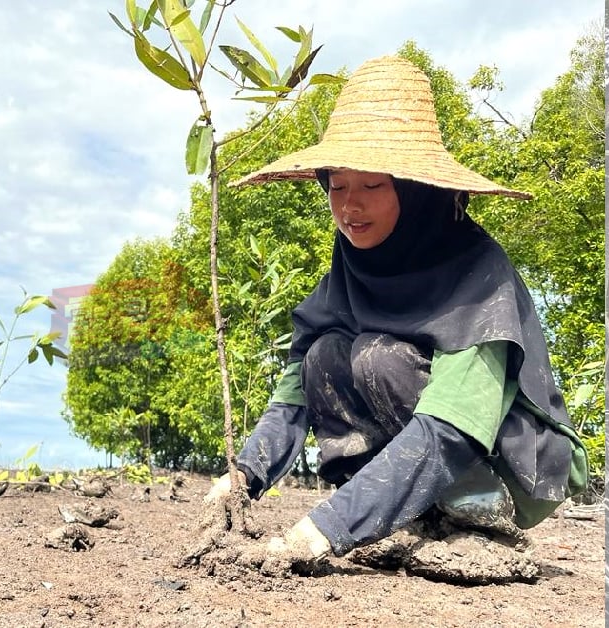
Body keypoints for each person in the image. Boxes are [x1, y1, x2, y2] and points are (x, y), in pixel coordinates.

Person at [205, 55, 589, 561]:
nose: (349, 206)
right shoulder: (348, 274)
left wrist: (328, 528)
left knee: (376, 358)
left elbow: (452, 427)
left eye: (372, 185)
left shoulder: (477, 274)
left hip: (510, 462)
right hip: (417, 462)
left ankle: (479, 519)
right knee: (327, 355)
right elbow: (293, 399)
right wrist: (243, 476)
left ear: (415, 192)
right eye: (337, 185)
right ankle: (403, 517)